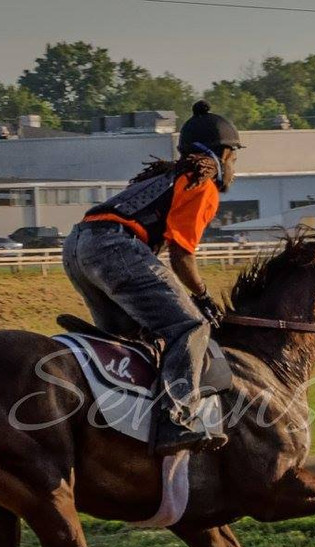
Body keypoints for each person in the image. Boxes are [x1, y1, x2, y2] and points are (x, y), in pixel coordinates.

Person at [62, 100, 242, 455]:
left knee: (134, 339)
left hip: (76, 246)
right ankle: (177, 419)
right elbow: (181, 256)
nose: (235, 167)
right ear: (222, 154)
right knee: (190, 327)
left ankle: (117, 425)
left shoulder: (167, 174)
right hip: (113, 249)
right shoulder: (201, 184)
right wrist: (202, 297)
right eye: (235, 157)